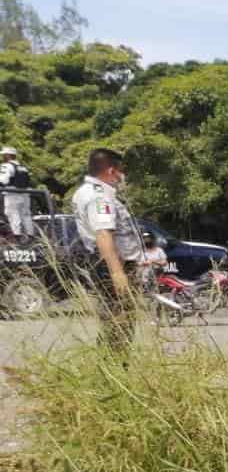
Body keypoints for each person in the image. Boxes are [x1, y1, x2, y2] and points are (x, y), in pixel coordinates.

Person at [72, 148, 144, 353]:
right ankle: (115, 373)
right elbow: (103, 234)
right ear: (112, 170)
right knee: (120, 324)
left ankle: (110, 370)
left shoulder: (86, 192)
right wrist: (117, 273)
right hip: (113, 266)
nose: (123, 176)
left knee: (114, 323)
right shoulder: (99, 197)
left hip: (107, 264)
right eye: (121, 171)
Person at [0, 147, 34, 237]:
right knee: (26, 215)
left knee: (12, 213)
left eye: (3, 155)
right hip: (25, 195)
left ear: (7, 155)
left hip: (12, 194)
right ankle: (30, 236)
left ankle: (17, 236)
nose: (2, 157)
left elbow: (3, 180)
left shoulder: (6, 166)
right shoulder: (23, 167)